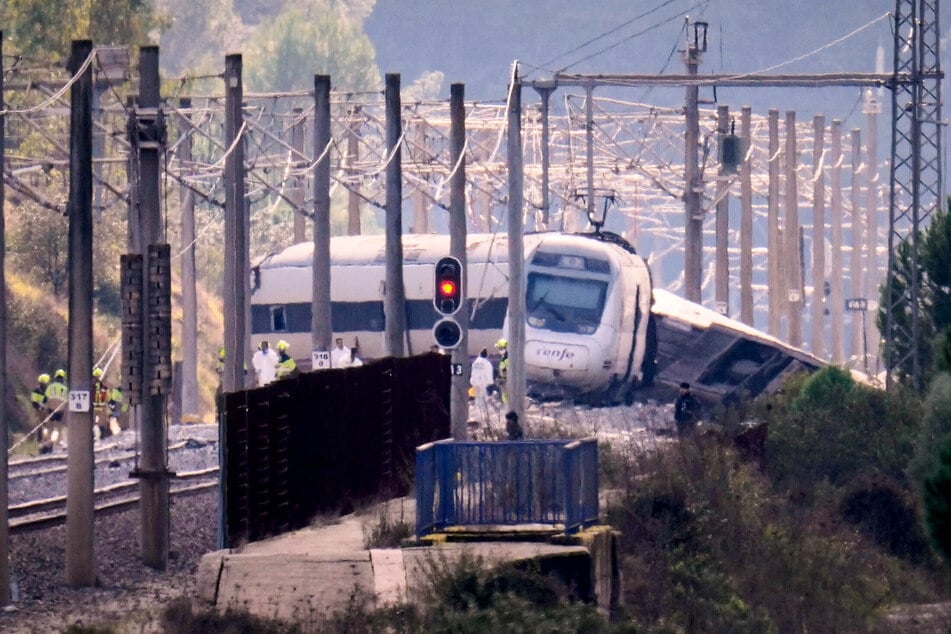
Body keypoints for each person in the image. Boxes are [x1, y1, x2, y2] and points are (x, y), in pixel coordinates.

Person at [470, 348, 494, 420]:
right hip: (483, 383)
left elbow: (473, 373)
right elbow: (489, 374)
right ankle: (484, 415)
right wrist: (490, 382)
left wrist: (473, 382)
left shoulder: (475, 362)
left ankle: (478, 414)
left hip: (475, 383)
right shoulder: (487, 363)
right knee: (484, 399)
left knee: (478, 398)